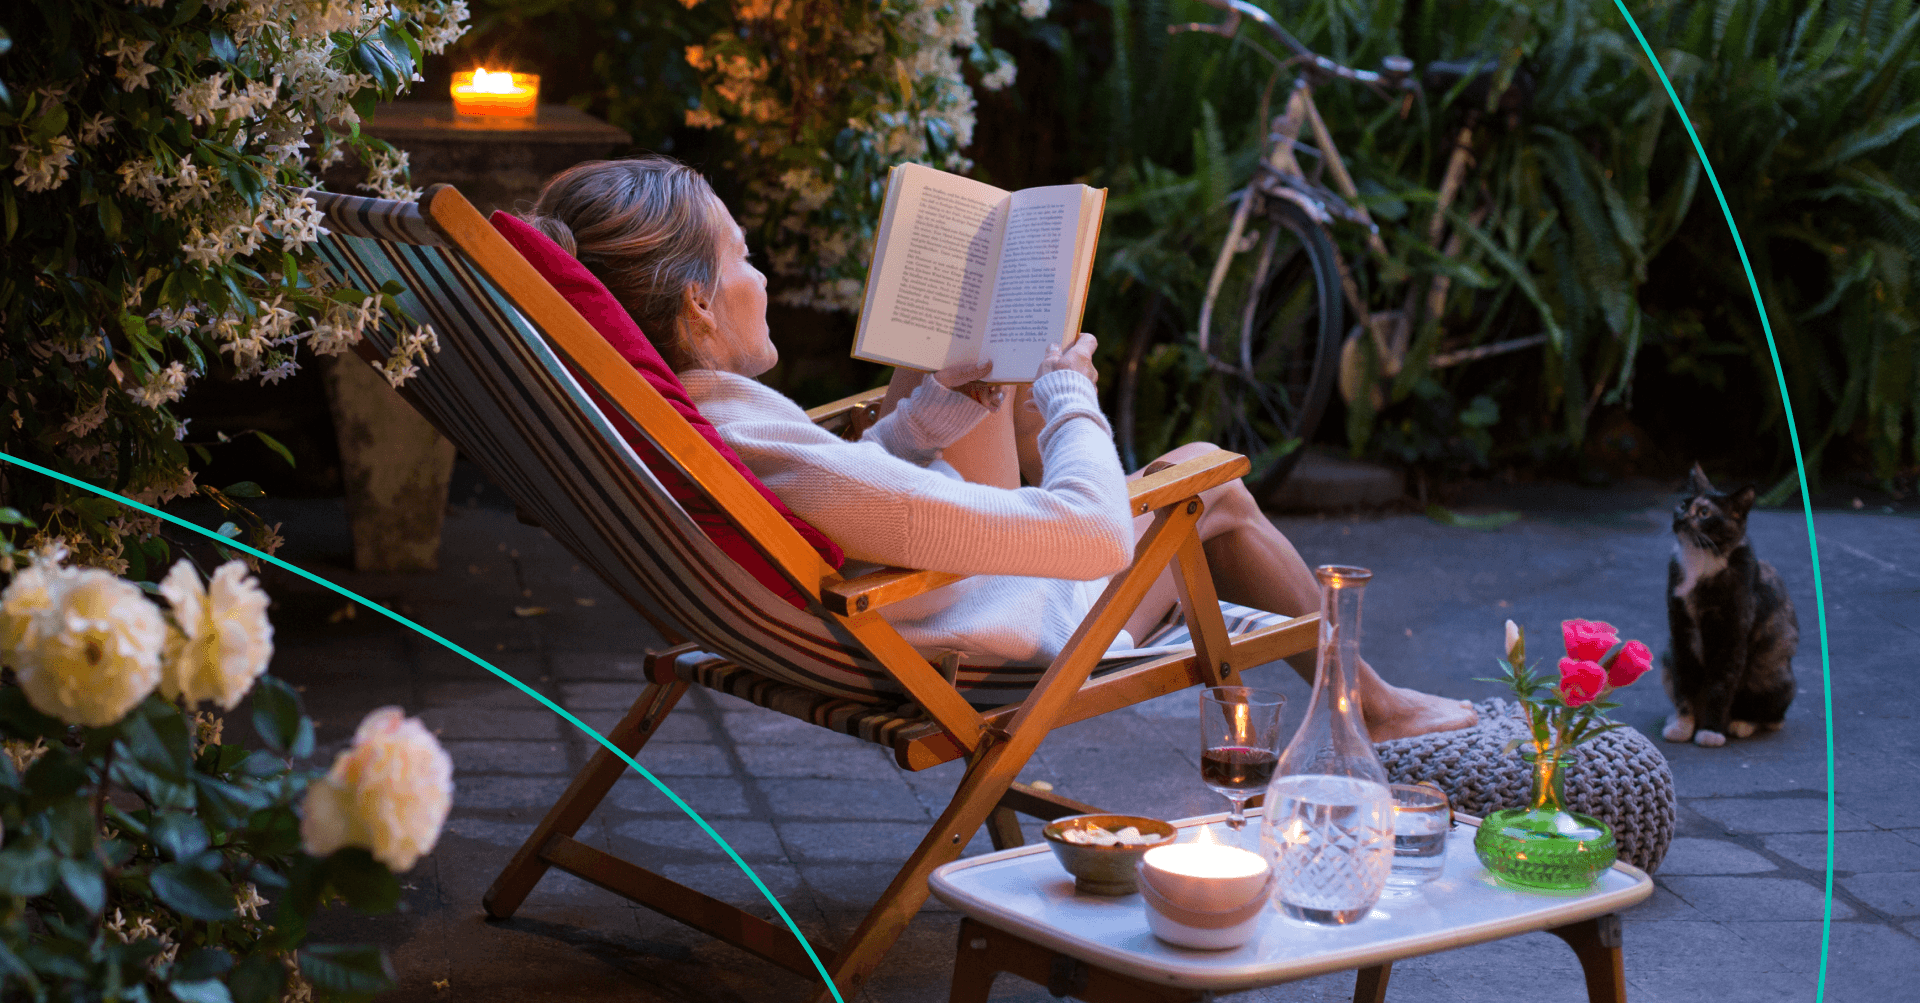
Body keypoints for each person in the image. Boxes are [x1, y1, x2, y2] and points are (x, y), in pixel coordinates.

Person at [526, 156, 1475, 742]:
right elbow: (1094, 535)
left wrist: (934, 414)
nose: (761, 275)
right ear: (695, 301)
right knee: (1209, 485)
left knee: (984, 357)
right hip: (976, 641)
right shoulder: (755, 441)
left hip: (897, 597)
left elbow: (850, 499)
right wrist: (1072, 393)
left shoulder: (685, 422)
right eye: (742, 257)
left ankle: (1365, 697)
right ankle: (1372, 710)